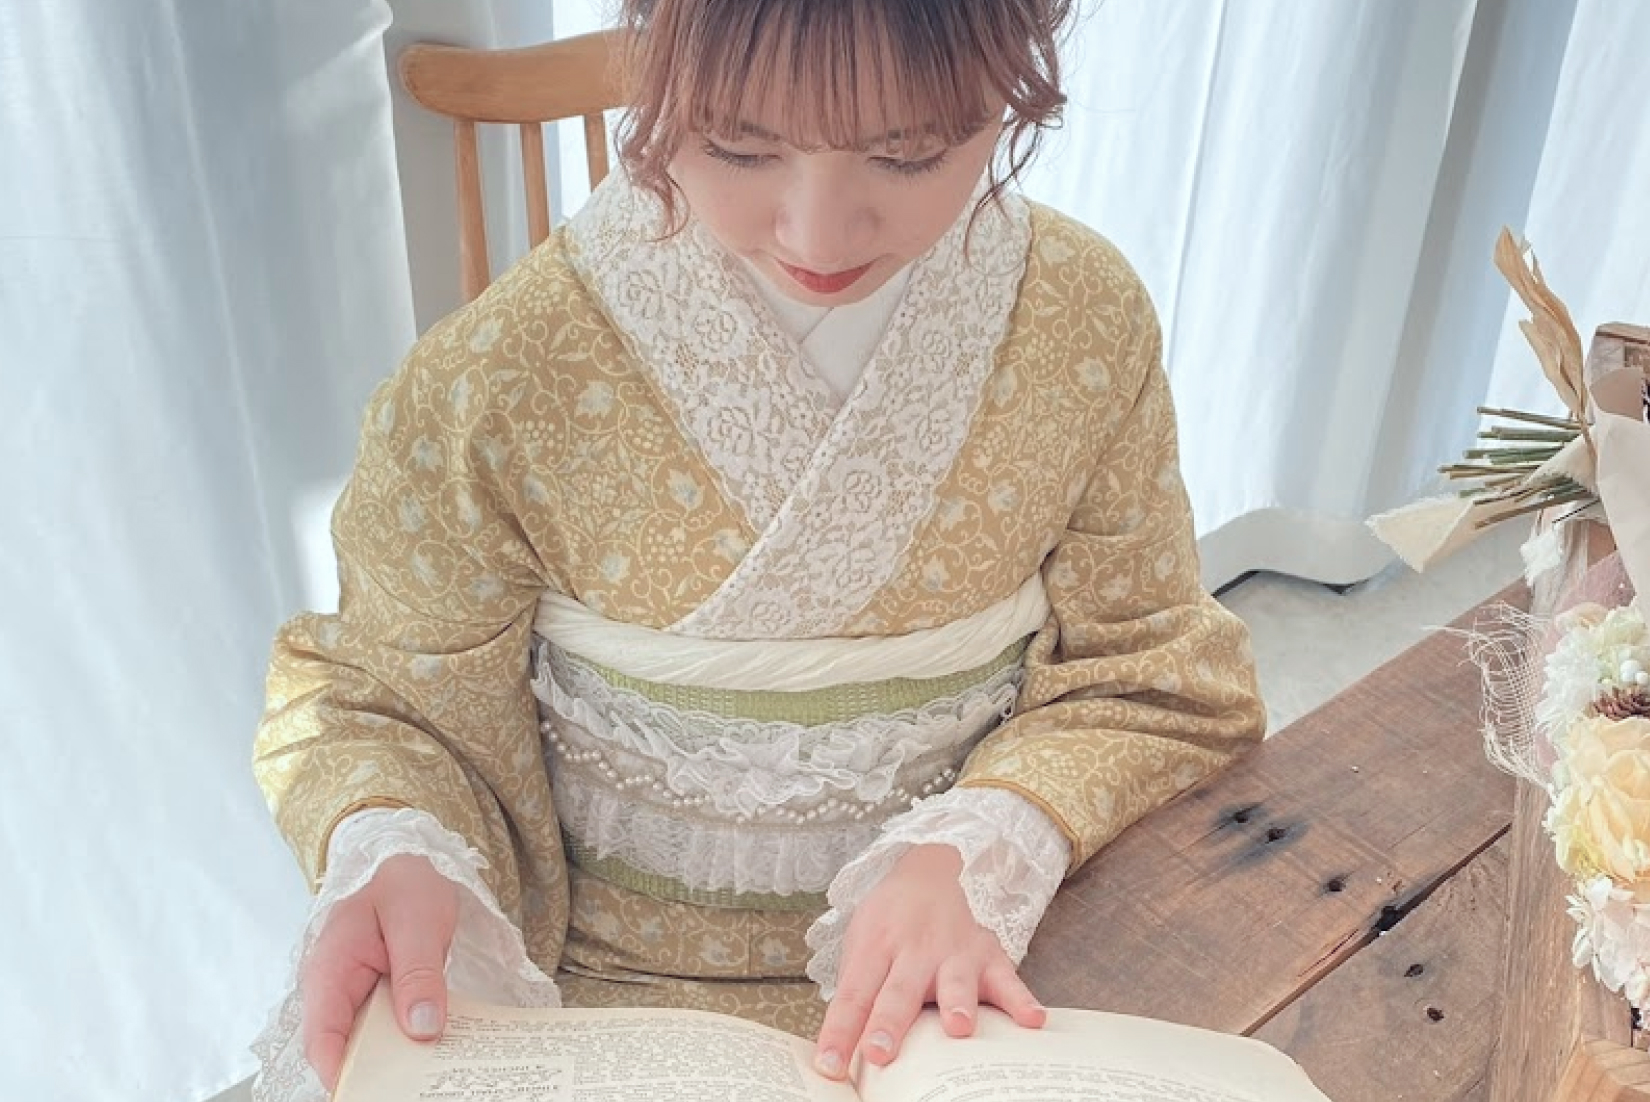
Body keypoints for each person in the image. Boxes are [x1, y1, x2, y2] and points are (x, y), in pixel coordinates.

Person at [249, 0, 1266, 1097]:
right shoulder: (496, 377)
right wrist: (399, 845)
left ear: (1011, 85)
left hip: (972, 961)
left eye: (910, 153)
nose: (818, 238)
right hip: (605, 1000)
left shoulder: (1080, 320)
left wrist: (986, 844)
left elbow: (1149, 669)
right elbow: (393, 701)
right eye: (738, 146)